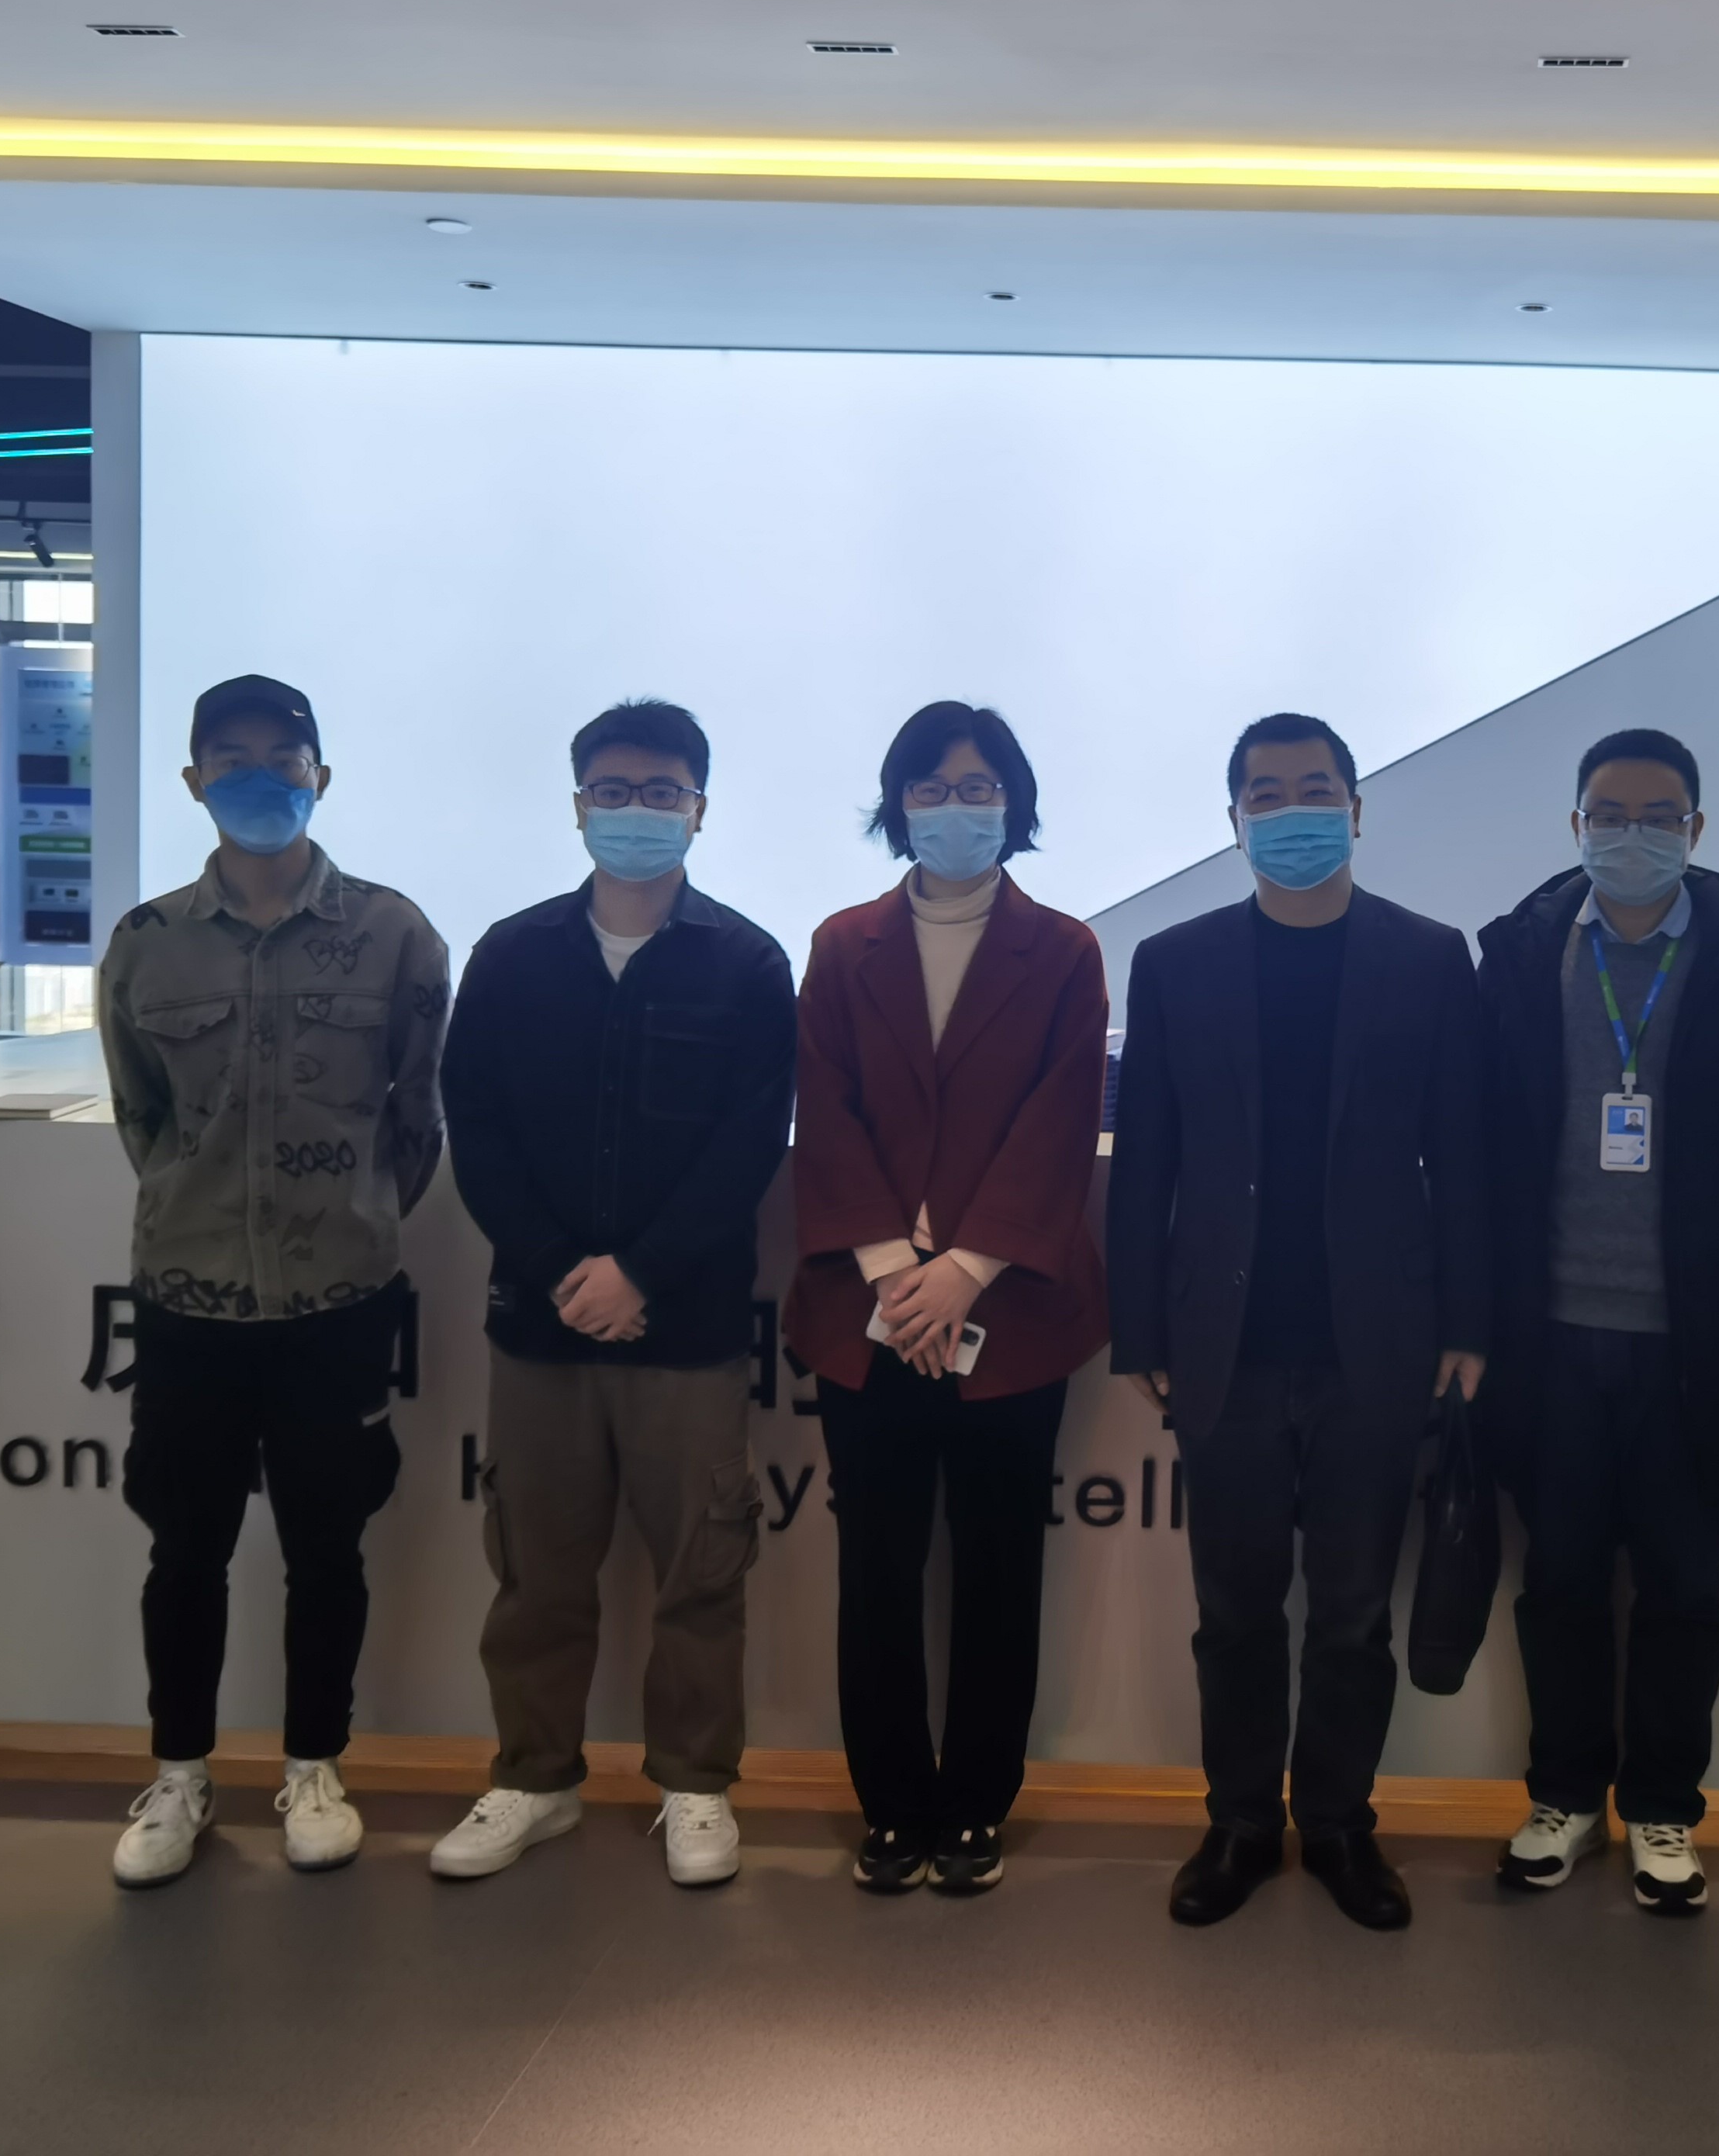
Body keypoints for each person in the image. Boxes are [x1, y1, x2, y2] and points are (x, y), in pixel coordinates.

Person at [1108, 711, 1491, 1932]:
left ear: (1358, 810)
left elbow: (1463, 1156)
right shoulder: (1173, 963)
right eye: (1266, 796)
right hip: (1222, 1346)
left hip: (1376, 1342)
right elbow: (1145, 1163)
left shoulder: (1429, 958)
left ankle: (1336, 1824)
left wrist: (1468, 1321)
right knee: (1233, 1614)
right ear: (1234, 823)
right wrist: (1139, 1333)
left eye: (1315, 790)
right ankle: (1237, 1823)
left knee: (1353, 1615)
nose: (1292, 813)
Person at [427, 699, 796, 1891]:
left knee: (701, 1575)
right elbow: (477, 1127)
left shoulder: (748, 963)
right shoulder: (511, 954)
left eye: (662, 792)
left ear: (700, 808)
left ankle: (694, 1785)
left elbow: (749, 1144)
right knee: (535, 1574)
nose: (639, 811)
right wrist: (560, 1270)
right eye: (615, 791)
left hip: (686, 1330)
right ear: (579, 804)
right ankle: (533, 1779)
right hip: (540, 1329)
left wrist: (638, 1271)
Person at [98, 674, 451, 1888]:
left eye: (282, 758)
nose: (259, 777)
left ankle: (315, 1767)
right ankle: (180, 1775)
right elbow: (143, 1117)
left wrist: (346, 1222)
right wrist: (207, 1213)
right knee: (183, 1550)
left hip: (337, 1306)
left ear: (320, 775)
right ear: (194, 780)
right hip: (188, 1302)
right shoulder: (148, 941)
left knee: (327, 1548)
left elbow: (417, 1118)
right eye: (231, 758)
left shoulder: (396, 934)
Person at [1475, 728, 1719, 1914]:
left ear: (1697, 829)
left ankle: (1667, 1809)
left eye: (1659, 815)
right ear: (1575, 825)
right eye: (1610, 814)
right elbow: (1477, 1155)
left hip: (1700, 1348)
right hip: (1551, 1340)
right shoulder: (1519, 957)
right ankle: (1565, 1798)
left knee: (1683, 1593)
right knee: (1561, 1586)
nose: (1634, 835)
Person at [789, 702, 1109, 1898]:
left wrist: (964, 1270)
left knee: (997, 1568)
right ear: (897, 805)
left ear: (1013, 806)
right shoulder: (841, 945)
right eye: (931, 787)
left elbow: (1058, 1124)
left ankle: (975, 1805)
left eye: (980, 788)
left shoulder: (1066, 951)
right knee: (875, 1571)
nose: (956, 807)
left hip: (1011, 1313)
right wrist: (893, 1271)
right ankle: (892, 1808)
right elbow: (825, 1111)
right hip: (865, 1309)